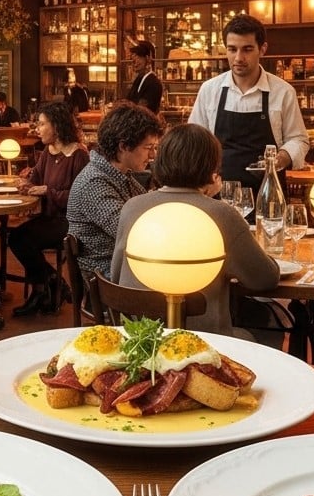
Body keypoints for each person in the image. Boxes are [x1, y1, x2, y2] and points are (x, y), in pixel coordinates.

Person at [111, 124, 279, 339]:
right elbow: (264, 279)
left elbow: (116, 275)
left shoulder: (132, 207)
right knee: (272, 324)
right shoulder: (222, 215)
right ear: (211, 166)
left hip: (136, 340)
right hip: (202, 344)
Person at [188, 14, 308, 189]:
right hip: (217, 193)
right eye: (232, 49)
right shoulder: (210, 90)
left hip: (269, 193)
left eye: (247, 49)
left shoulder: (283, 92)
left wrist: (281, 158)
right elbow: (194, 140)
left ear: (262, 49)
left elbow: (299, 139)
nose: (238, 58)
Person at [10, 101, 89, 316]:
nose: (38, 129)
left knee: (23, 239)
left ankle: (43, 289)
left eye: (42, 124)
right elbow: (35, 178)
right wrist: (25, 183)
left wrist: (47, 191)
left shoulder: (78, 155)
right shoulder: (48, 151)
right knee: (16, 237)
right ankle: (52, 282)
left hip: (70, 222)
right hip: (50, 218)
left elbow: (79, 198)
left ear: (56, 126)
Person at [66, 101, 163, 276]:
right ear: (123, 146)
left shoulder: (117, 173)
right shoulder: (94, 182)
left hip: (124, 266)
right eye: (148, 147)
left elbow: (146, 210)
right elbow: (132, 232)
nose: (153, 155)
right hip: (106, 278)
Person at [124, 40, 163, 118]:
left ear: (148, 58)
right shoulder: (139, 79)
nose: (135, 61)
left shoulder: (153, 83)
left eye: (139, 57)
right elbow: (127, 102)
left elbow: (143, 112)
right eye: (133, 58)